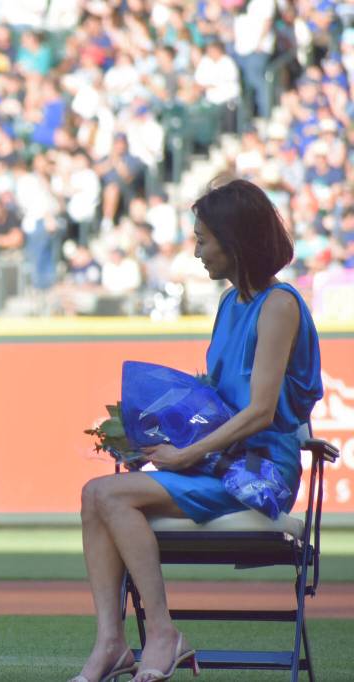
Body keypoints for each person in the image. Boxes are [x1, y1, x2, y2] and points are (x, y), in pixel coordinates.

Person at [71, 178, 323, 682]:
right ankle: (111, 643)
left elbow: (258, 413)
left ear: (235, 242)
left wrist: (186, 456)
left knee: (112, 497)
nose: (196, 250)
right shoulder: (230, 304)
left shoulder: (279, 305)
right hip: (220, 460)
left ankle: (162, 634)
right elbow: (214, 398)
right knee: (94, 492)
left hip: (259, 471)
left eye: (203, 239)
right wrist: (146, 433)